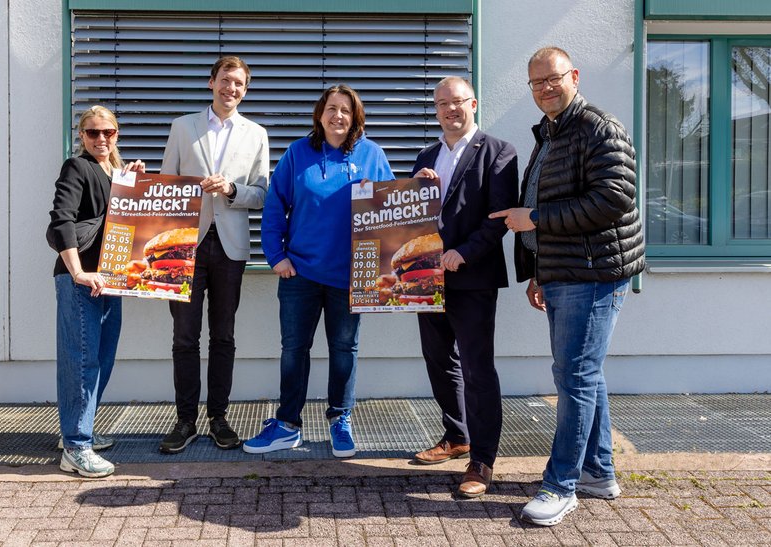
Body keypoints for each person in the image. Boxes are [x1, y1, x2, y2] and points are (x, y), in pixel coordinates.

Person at [490, 47, 645, 526]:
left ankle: (561, 486)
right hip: (566, 272)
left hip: (596, 275)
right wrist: (540, 269)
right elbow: (556, 198)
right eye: (536, 84)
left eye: (552, 79)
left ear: (573, 75)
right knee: (585, 374)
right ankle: (598, 472)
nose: (544, 89)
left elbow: (614, 198)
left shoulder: (598, 126)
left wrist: (532, 218)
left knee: (573, 378)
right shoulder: (553, 132)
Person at [244, 84, 394, 458]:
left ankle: (340, 419)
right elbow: (275, 208)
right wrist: (275, 256)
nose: (338, 116)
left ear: (355, 116)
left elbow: (393, 209)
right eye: (331, 108)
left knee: (345, 349)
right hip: (301, 273)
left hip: (353, 276)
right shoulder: (298, 153)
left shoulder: (372, 155)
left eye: (345, 110)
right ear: (319, 113)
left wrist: (423, 187)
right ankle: (287, 425)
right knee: (294, 350)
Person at [410, 77, 519, 498]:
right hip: (426, 278)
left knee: (476, 368)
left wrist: (465, 253)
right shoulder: (427, 155)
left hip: (471, 278)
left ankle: (482, 461)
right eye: (442, 104)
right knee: (438, 359)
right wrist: (417, 190)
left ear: (473, 103)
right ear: (435, 110)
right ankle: (456, 437)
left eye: (457, 102)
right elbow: (414, 219)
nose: (450, 110)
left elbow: (498, 217)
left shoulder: (498, 152)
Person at [158, 56, 269, 454]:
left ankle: (219, 418)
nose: (231, 89)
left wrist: (232, 190)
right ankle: (185, 420)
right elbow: (166, 186)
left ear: (245, 89)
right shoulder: (181, 127)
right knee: (184, 336)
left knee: (223, 335)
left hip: (231, 246)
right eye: (225, 80)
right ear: (211, 83)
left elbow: (262, 193)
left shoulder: (256, 133)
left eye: (239, 83)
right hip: (184, 244)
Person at [47, 105, 146, 478]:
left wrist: (134, 185)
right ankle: (76, 446)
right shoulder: (77, 167)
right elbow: (61, 220)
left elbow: (131, 224)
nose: (101, 139)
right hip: (83, 281)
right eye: (92, 133)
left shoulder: (115, 174)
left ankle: (78, 431)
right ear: (82, 136)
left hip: (111, 280)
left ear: (117, 134)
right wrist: (78, 273)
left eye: (108, 132)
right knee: (82, 361)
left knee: (100, 360)